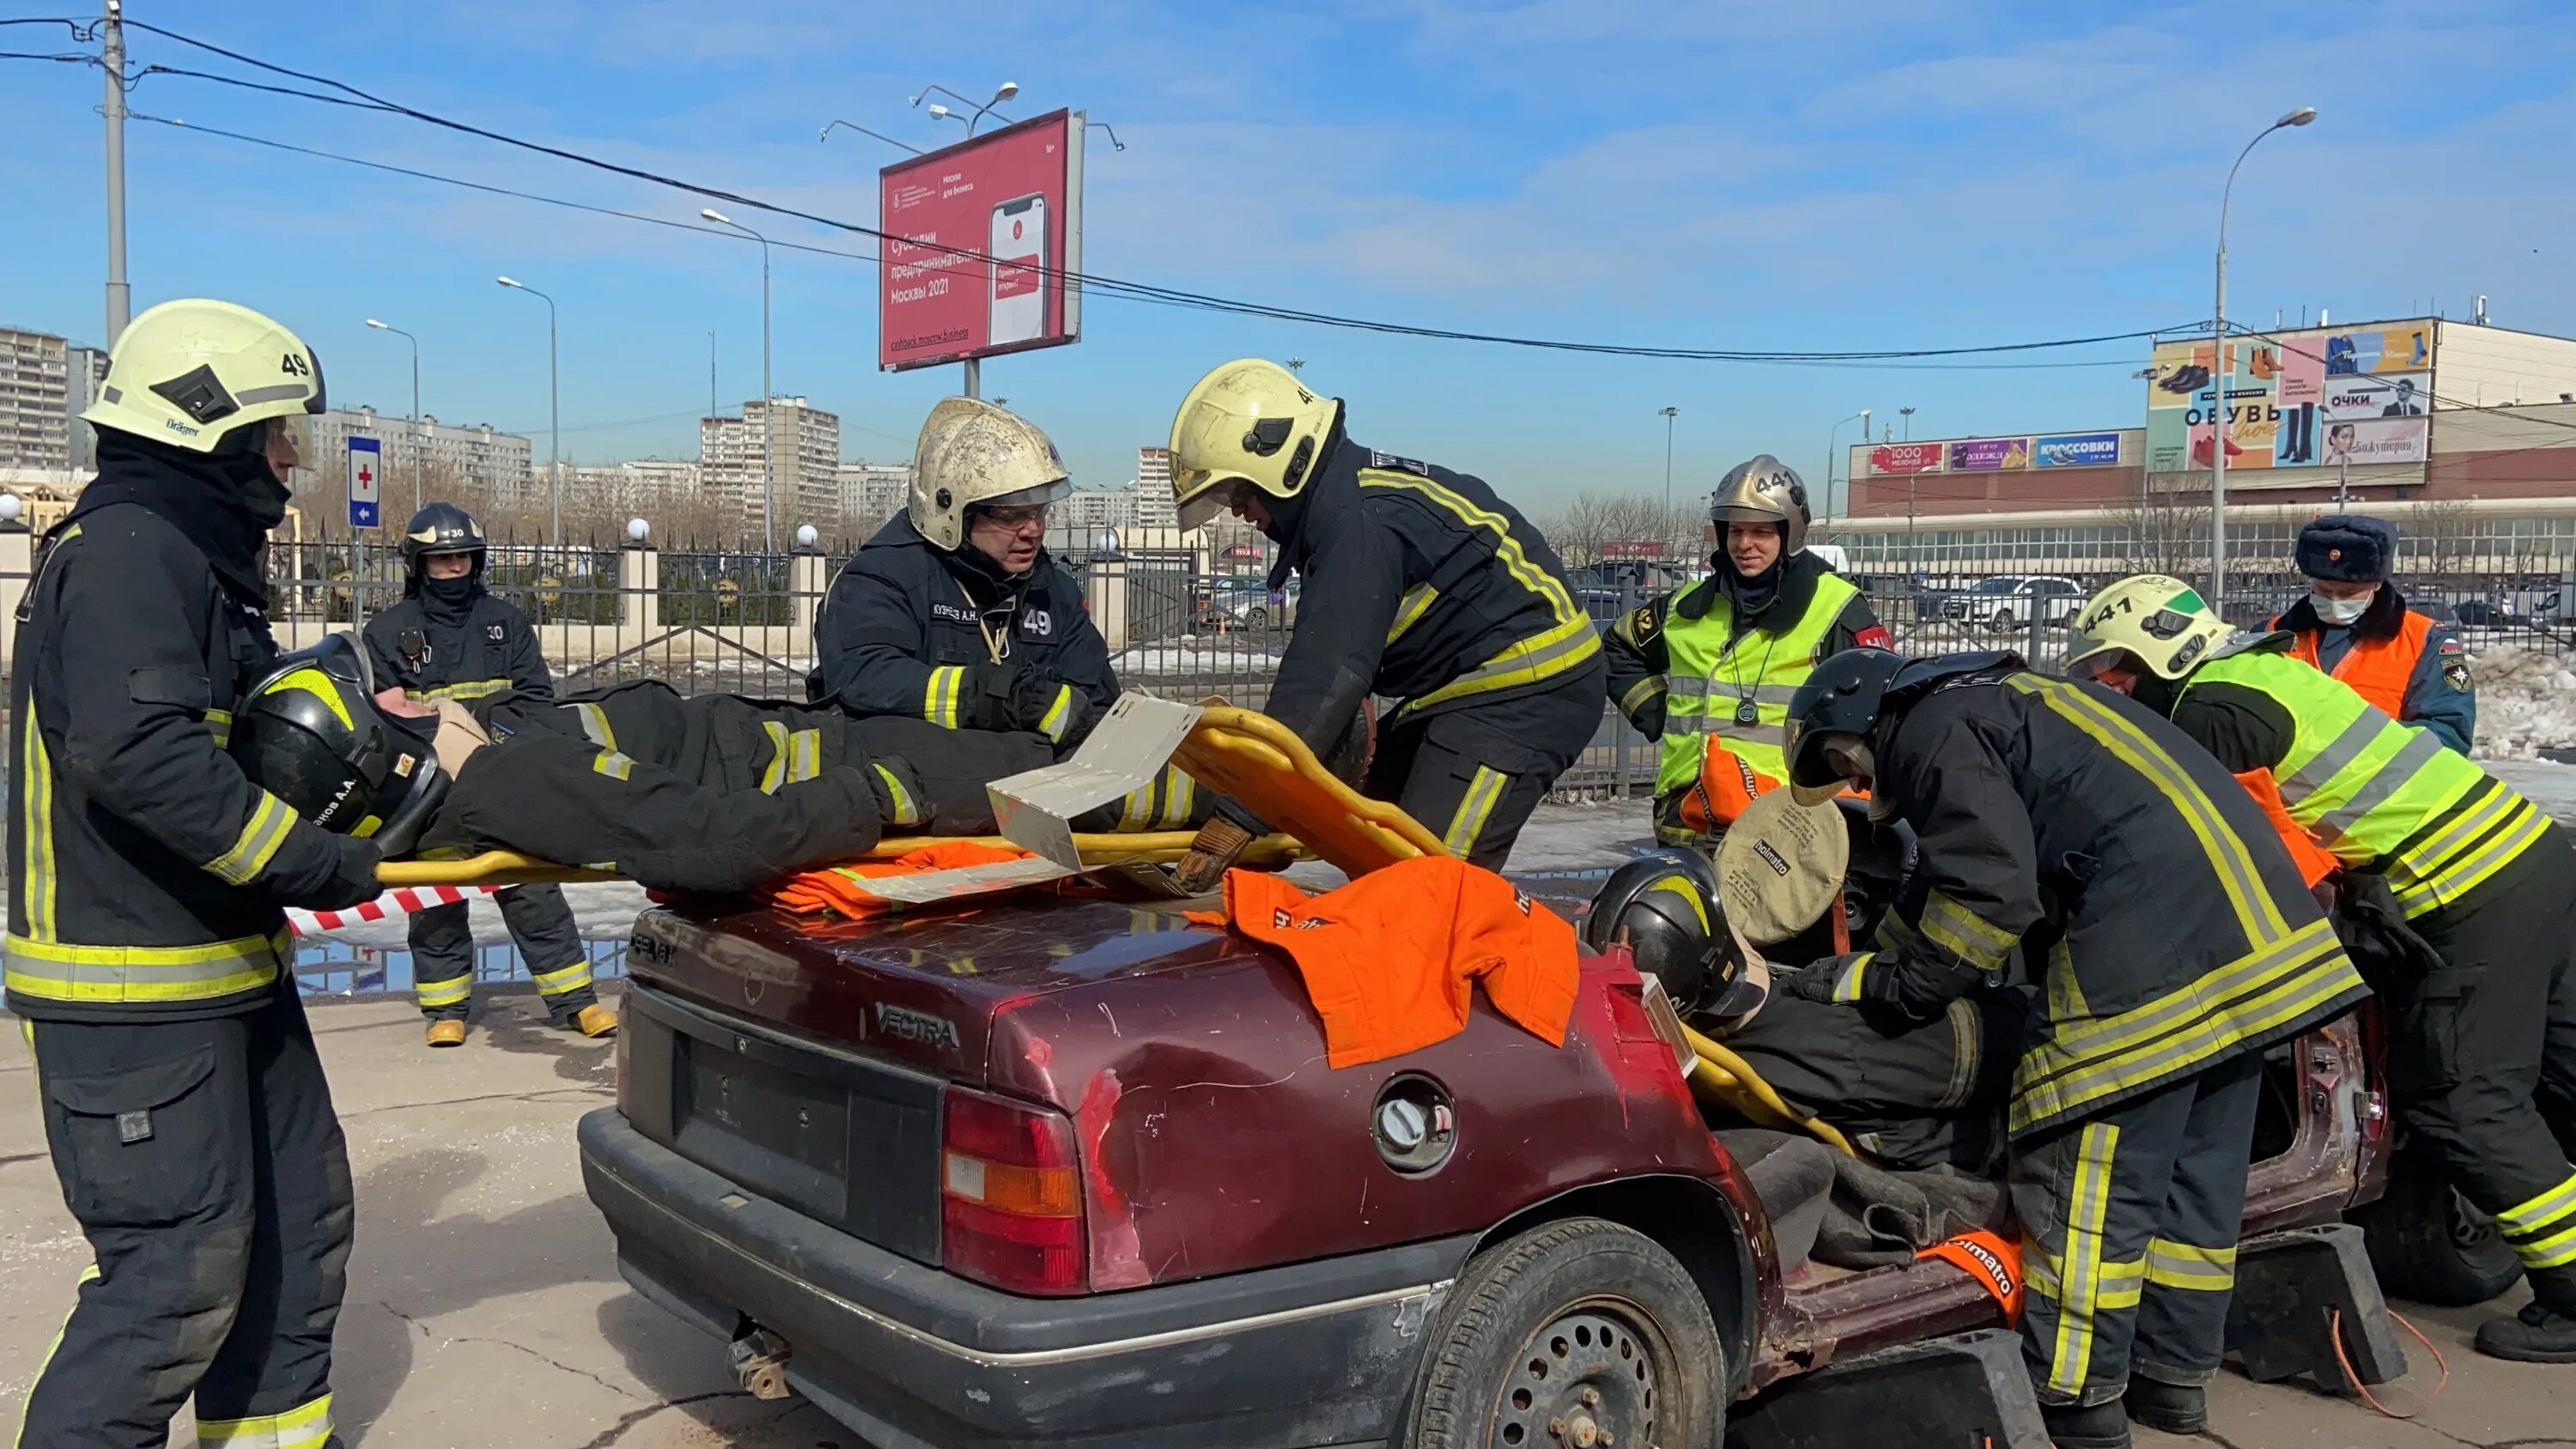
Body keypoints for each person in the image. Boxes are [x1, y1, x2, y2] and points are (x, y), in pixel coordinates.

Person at [1780, 647, 2367, 1446]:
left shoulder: (1926, 728)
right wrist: (1871, 959)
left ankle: (2075, 1402)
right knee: (2194, 1176)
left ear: (1862, 713)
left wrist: (1896, 988)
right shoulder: (2017, 698)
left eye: (1844, 759)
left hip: (2153, 942)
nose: (1857, 780)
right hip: (2258, 939)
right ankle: (2171, 1381)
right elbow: (1949, 876)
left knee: (2086, 1175)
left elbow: (1988, 897)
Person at [7, 300, 383, 1449]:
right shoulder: (129, 555)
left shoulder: (184, 557)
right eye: (275, 435)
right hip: (131, 989)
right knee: (171, 1281)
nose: (287, 461)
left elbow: (243, 725)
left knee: (292, 1240)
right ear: (206, 428)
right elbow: (143, 758)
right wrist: (321, 863)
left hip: (219, 966)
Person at [2069, 574, 2576, 1361]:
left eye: (2115, 669)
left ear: (2160, 654)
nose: (2112, 688)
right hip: (2530, 856)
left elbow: (2233, 852)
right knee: (2560, 1072)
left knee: (2463, 1094)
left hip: (2466, 887)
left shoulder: (2211, 713)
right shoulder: (2255, 669)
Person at [1164, 359, 1605, 879]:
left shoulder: (1355, 526)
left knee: (1427, 883)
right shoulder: (1347, 504)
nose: (1238, 511)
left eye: (1238, 493)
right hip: (1465, 689)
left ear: (1281, 463)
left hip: (1529, 693)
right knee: (1365, 841)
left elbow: (1326, 672)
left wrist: (1239, 815)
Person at [232, 636, 1053, 895]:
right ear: (390, 757)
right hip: (862, 771)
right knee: (1084, 776)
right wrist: (884, 793)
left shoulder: (487, 758)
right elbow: (716, 837)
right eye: (389, 703)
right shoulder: (508, 784)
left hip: (837, 749)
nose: (408, 691)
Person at [809, 399, 1200, 827]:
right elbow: (864, 681)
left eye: (1039, 512)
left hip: (1032, 819)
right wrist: (993, 697)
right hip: (912, 820)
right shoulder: (882, 578)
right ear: (951, 510)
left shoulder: (1051, 588)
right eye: (1012, 514)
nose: (1032, 529)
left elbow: (1097, 704)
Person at [362, 502, 611, 1046]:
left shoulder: (506, 621)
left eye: (463, 559)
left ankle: (576, 1002)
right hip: (428, 788)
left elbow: (535, 699)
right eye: (442, 560)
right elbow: (381, 716)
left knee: (532, 889)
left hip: (500, 775)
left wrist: (492, 741)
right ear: (418, 564)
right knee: (435, 899)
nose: (454, 569)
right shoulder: (387, 631)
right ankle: (445, 1010)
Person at [1601, 455, 1888, 846]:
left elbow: (1880, 701)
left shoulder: (1836, 608)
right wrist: (1658, 713)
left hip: (1785, 825)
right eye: (1735, 531)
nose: (1744, 544)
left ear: (1790, 535)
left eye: (1761, 532)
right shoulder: (1686, 606)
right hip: (1685, 818)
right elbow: (1617, 647)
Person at [2269, 514, 2474, 754]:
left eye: (2348, 593)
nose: (2334, 601)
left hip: (2378, 786)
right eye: (2323, 590)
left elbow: (2449, 734)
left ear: (2377, 584)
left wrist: (2352, 740)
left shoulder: (2426, 639)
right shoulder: (2272, 633)